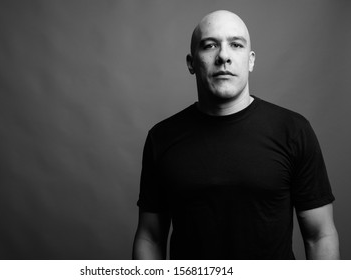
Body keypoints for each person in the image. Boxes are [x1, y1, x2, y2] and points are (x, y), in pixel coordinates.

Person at [132, 10, 339, 260]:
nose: (223, 56)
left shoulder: (293, 130)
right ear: (191, 62)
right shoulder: (162, 138)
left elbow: (320, 236)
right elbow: (150, 237)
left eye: (236, 45)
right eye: (210, 45)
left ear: (251, 60)